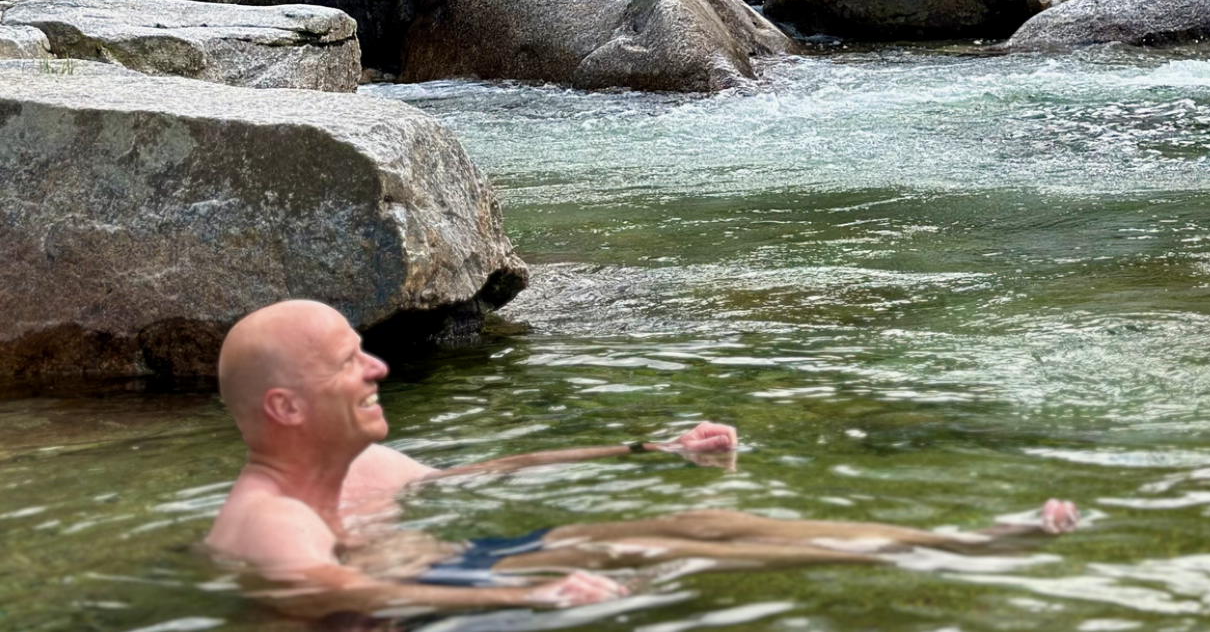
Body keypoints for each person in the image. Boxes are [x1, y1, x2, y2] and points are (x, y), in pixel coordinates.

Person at [206, 300, 1079, 619]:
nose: (379, 367)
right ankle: (958, 550)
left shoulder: (364, 475)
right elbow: (337, 592)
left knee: (703, 521)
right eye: (350, 360)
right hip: (448, 600)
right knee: (661, 550)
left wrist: (652, 447)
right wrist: (528, 591)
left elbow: (498, 473)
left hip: (470, 571)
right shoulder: (269, 520)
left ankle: (948, 539)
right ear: (286, 407)